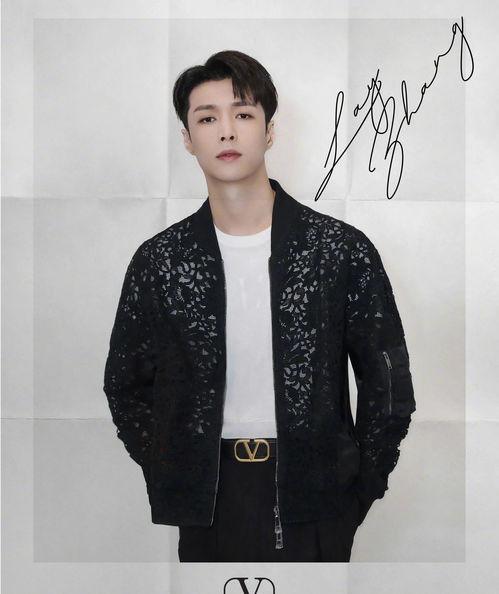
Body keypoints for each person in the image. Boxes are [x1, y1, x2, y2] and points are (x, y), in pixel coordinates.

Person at [103, 50, 416, 562]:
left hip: (316, 493)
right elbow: (125, 384)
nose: (227, 131)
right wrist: (173, 466)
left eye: (243, 114)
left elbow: (388, 385)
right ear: (188, 138)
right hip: (208, 497)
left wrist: (357, 489)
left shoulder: (337, 249)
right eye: (208, 118)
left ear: (269, 131)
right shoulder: (161, 260)